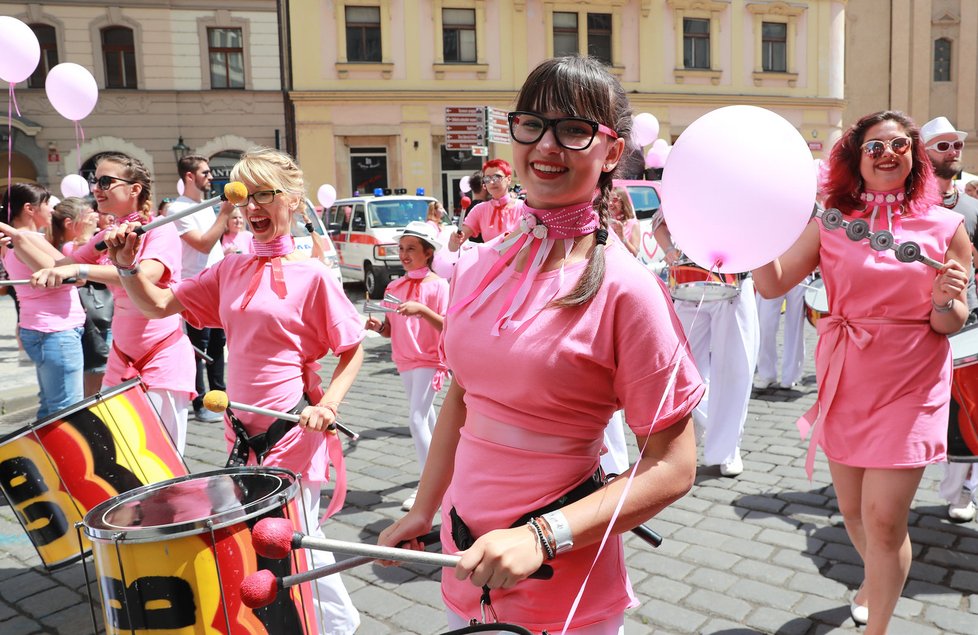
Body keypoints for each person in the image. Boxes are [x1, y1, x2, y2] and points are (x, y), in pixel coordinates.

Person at [379, 56, 703, 634]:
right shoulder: (481, 262)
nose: (546, 145)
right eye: (532, 123)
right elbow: (463, 395)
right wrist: (424, 508)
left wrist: (540, 537)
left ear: (611, 151)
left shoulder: (629, 289)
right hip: (463, 562)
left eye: (573, 129)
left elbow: (672, 467)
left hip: (563, 583)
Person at [101, 147, 363, 634]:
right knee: (280, 536)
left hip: (292, 427)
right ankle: (326, 622)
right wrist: (124, 265)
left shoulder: (315, 276)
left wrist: (328, 404)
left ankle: (340, 626)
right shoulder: (230, 268)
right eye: (248, 196)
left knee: (292, 533)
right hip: (238, 430)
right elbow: (158, 304)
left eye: (267, 193)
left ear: (294, 201)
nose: (254, 206)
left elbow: (353, 349)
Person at [753, 110, 970, 632]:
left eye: (900, 144)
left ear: (915, 156)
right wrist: (754, 233)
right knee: (852, 512)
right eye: (875, 146)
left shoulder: (947, 226)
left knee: (884, 519)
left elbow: (951, 322)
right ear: (856, 158)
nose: (888, 153)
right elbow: (772, 283)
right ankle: (875, 579)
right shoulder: (831, 219)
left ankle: (878, 627)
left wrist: (946, 302)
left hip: (912, 381)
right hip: (847, 375)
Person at [25, 153, 197, 454]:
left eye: (106, 181)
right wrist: (20, 239)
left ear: (134, 190)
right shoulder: (108, 234)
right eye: (94, 180)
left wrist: (78, 270)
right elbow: (63, 265)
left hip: (161, 357)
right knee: (119, 457)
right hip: (121, 357)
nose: (96, 188)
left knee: (162, 459)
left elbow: (148, 275)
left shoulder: (160, 228)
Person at [651, 216, 759, 477]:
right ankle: (703, 417)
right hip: (688, 283)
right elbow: (659, 224)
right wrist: (669, 251)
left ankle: (727, 448)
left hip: (734, 282)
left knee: (735, 369)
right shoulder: (688, 182)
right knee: (682, 366)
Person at [365, 221, 449, 511]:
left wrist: (423, 310)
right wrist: (377, 327)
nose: (404, 254)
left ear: (428, 253)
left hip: (429, 359)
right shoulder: (394, 286)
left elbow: (448, 326)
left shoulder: (439, 286)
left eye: (411, 249)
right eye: (401, 248)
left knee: (416, 419)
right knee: (427, 420)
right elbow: (389, 328)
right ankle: (446, 473)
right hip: (404, 359)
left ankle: (429, 487)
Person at [920, 115, 978, 523]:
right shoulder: (908, 207)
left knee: (968, 408)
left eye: (956, 145)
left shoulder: (973, 207)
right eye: (942, 146)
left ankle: (961, 491)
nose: (953, 152)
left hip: (969, 320)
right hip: (916, 325)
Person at [0, 184, 85, 418]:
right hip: (56, 330)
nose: (52, 209)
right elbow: (73, 275)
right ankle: (63, 455)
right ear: (29, 208)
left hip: (42, 328)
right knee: (67, 411)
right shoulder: (25, 238)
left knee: (51, 406)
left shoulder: (13, 241)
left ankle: (48, 454)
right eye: (47, 203)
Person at [171, 154, 229, 424]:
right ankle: (199, 401)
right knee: (198, 347)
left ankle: (219, 398)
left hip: (217, 285)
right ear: (189, 177)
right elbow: (203, 244)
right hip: (194, 288)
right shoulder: (176, 209)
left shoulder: (207, 206)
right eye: (205, 173)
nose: (210, 177)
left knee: (218, 344)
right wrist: (225, 214)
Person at [52, 197, 114, 397]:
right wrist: (87, 237)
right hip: (93, 318)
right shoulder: (69, 246)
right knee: (96, 377)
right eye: (88, 217)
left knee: (103, 374)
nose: (95, 219)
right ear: (71, 224)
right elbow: (83, 266)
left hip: (102, 313)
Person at [448, 159, 520, 251]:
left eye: (497, 177)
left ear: (509, 179)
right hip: (490, 263)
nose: (492, 182)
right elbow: (454, 247)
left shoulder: (523, 207)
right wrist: (454, 240)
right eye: (487, 178)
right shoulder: (480, 209)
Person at [754, 280, 806, 390]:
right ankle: (766, 373)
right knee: (765, 324)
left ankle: (791, 376)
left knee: (795, 325)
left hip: (800, 270)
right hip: (769, 269)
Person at [609, 186, 640, 257]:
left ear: (623, 202)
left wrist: (622, 237)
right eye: (608, 199)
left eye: (614, 200)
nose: (610, 203)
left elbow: (635, 253)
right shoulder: (606, 223)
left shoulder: (633, 223)